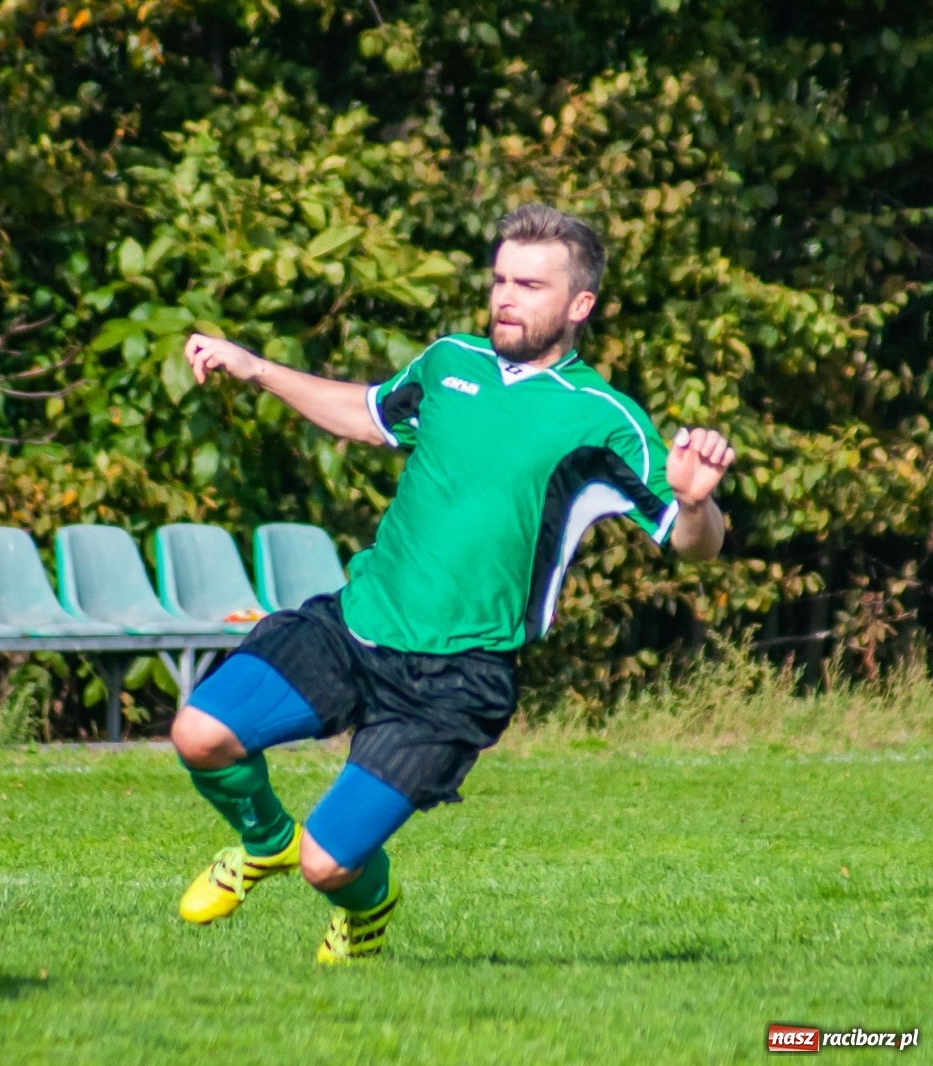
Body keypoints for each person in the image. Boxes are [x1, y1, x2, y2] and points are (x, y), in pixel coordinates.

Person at [172, 203, 734, 963]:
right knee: (200, 735)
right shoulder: (447, 362)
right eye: (501, 279)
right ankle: (264, 841)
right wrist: (257, 367)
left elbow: (696, 546)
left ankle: (365, 911)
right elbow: (367, 415)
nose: (506, 296)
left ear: (579, 306)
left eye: (530, 285)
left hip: (455, 679)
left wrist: (697, 502)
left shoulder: (603, 419)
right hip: (355, 625)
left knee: (328, 865)